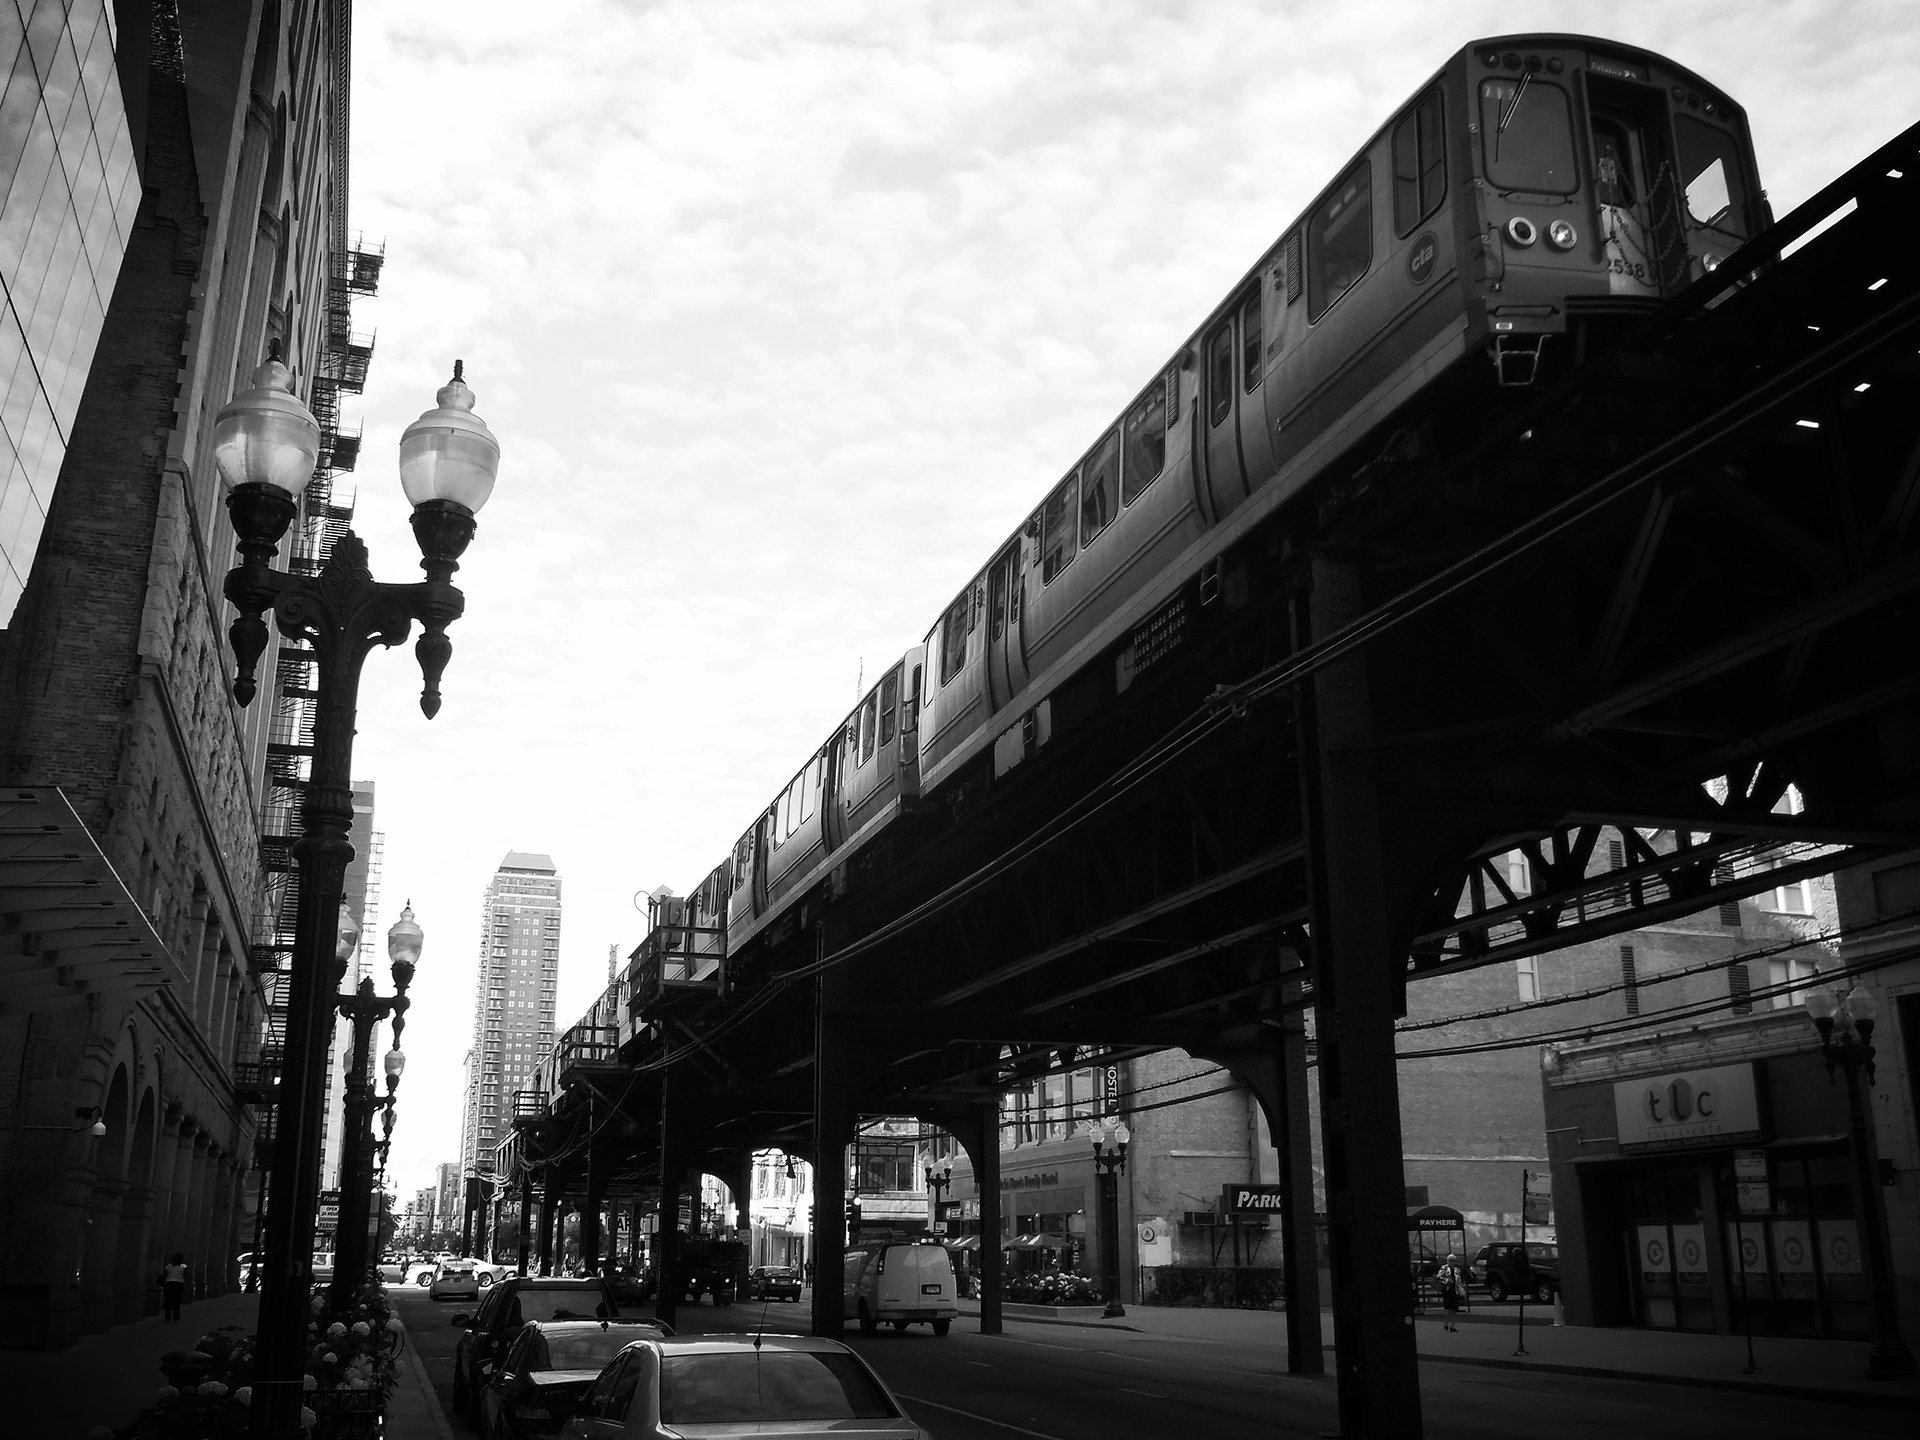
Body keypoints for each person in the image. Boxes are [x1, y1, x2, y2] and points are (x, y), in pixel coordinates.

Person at [158, 1252, 189, 1321]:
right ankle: (176, 1317)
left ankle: (167, 1317)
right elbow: (186, 1275)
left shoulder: (168, 1266)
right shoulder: (183, 1266)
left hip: (169, 1284)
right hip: (179, 1284)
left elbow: (164, 1275)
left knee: (168, 1301)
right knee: (177, 1301)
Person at [1438, 1254, 1464, 1332]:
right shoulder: (1444, 1268)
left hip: (1455, 1291)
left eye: (1453, 1260)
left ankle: (1452, 1326)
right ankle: (1446, 1324)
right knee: (1449, 1309)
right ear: (1447, 1261)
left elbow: (1459, 1282)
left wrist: (1462, 1291)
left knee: (1454, 1309)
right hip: (1447, 1290)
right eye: (1450, 1260)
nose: (1452, 1262)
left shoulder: (1457, 1270)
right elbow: (1438, 1277)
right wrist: (1447, 1281)